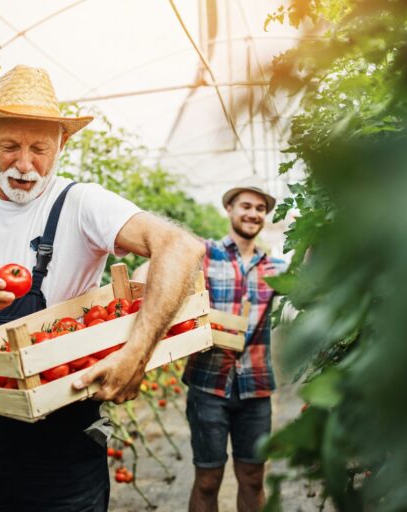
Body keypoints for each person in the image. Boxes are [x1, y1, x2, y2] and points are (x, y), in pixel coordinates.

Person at [0, 65, 204, 512]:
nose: (24, 165)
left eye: (39, 148)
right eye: (9, 147)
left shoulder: (81, 203)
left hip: (65, 434)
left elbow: (180, 246)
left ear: (62, 144)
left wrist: (136, 353)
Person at [185, 177, 287, 512]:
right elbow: (164, 269)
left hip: (255, 388)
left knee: (253, 476)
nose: (253, 214)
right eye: (246, 205)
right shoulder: (205, 253)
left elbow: (310, 281)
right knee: (208, 479)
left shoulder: (274, 268)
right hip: (208, 384)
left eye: (260, 208)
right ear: (229, 208)